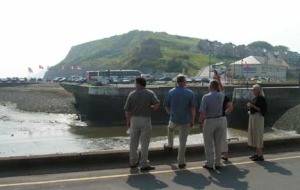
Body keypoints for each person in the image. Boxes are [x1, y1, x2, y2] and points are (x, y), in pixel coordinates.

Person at [124, 76, 160, 172]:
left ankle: (133, 162)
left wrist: (128, 121)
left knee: (133, 142)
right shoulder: (150, 93)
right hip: (145, 119)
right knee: (144, 143)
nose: (135, 85)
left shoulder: (132, 94)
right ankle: (144, 164)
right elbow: (157, 104)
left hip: (134, 119)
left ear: (139, 84)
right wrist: (151, 108)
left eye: (135, 83)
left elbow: (127, 110)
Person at [163, 74, 196, 169]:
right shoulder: (190, 93)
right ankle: (181, 162)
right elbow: (193, 108)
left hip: (173, 118)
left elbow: (166, 105)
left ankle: (170, 144)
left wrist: (170, 112)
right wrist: (192, 120)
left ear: (176, 82)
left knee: (170, 129)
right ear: (184, 82)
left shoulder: (170, 92)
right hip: (185, 120)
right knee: (182, 142)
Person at [198, 79, 226, 170]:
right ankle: (218, 163)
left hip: (210, 121)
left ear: (210, 87)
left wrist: (200, 122)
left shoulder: (206, 97)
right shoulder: (222, 95)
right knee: (218, 143)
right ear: (217, 87)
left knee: (208, 143)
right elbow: (221, 90)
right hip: (220, 120)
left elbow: (203, 112)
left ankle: (210, 163)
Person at [213, 71, 233, 161]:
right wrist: (225, 113)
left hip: (214, 118)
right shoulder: (223, 96)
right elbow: (231, 107)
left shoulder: (209, 97)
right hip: (222, 118)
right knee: (223, 137)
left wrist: (218, 80)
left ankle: (218, 154)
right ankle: (225, 154)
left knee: (215, 137)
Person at [247, 84, 267, 161]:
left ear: (259, 90)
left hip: (258, 118)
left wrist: (253, 106)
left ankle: (260, 155)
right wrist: (250, 106)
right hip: (253, 117)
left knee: (258, 135)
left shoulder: (261, 98)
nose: (253, 91)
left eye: (254, 89)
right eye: (253, 89)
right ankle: (258, 153)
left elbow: (263, 110)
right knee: (254, 135)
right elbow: (254, 107)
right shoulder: (256, 98)